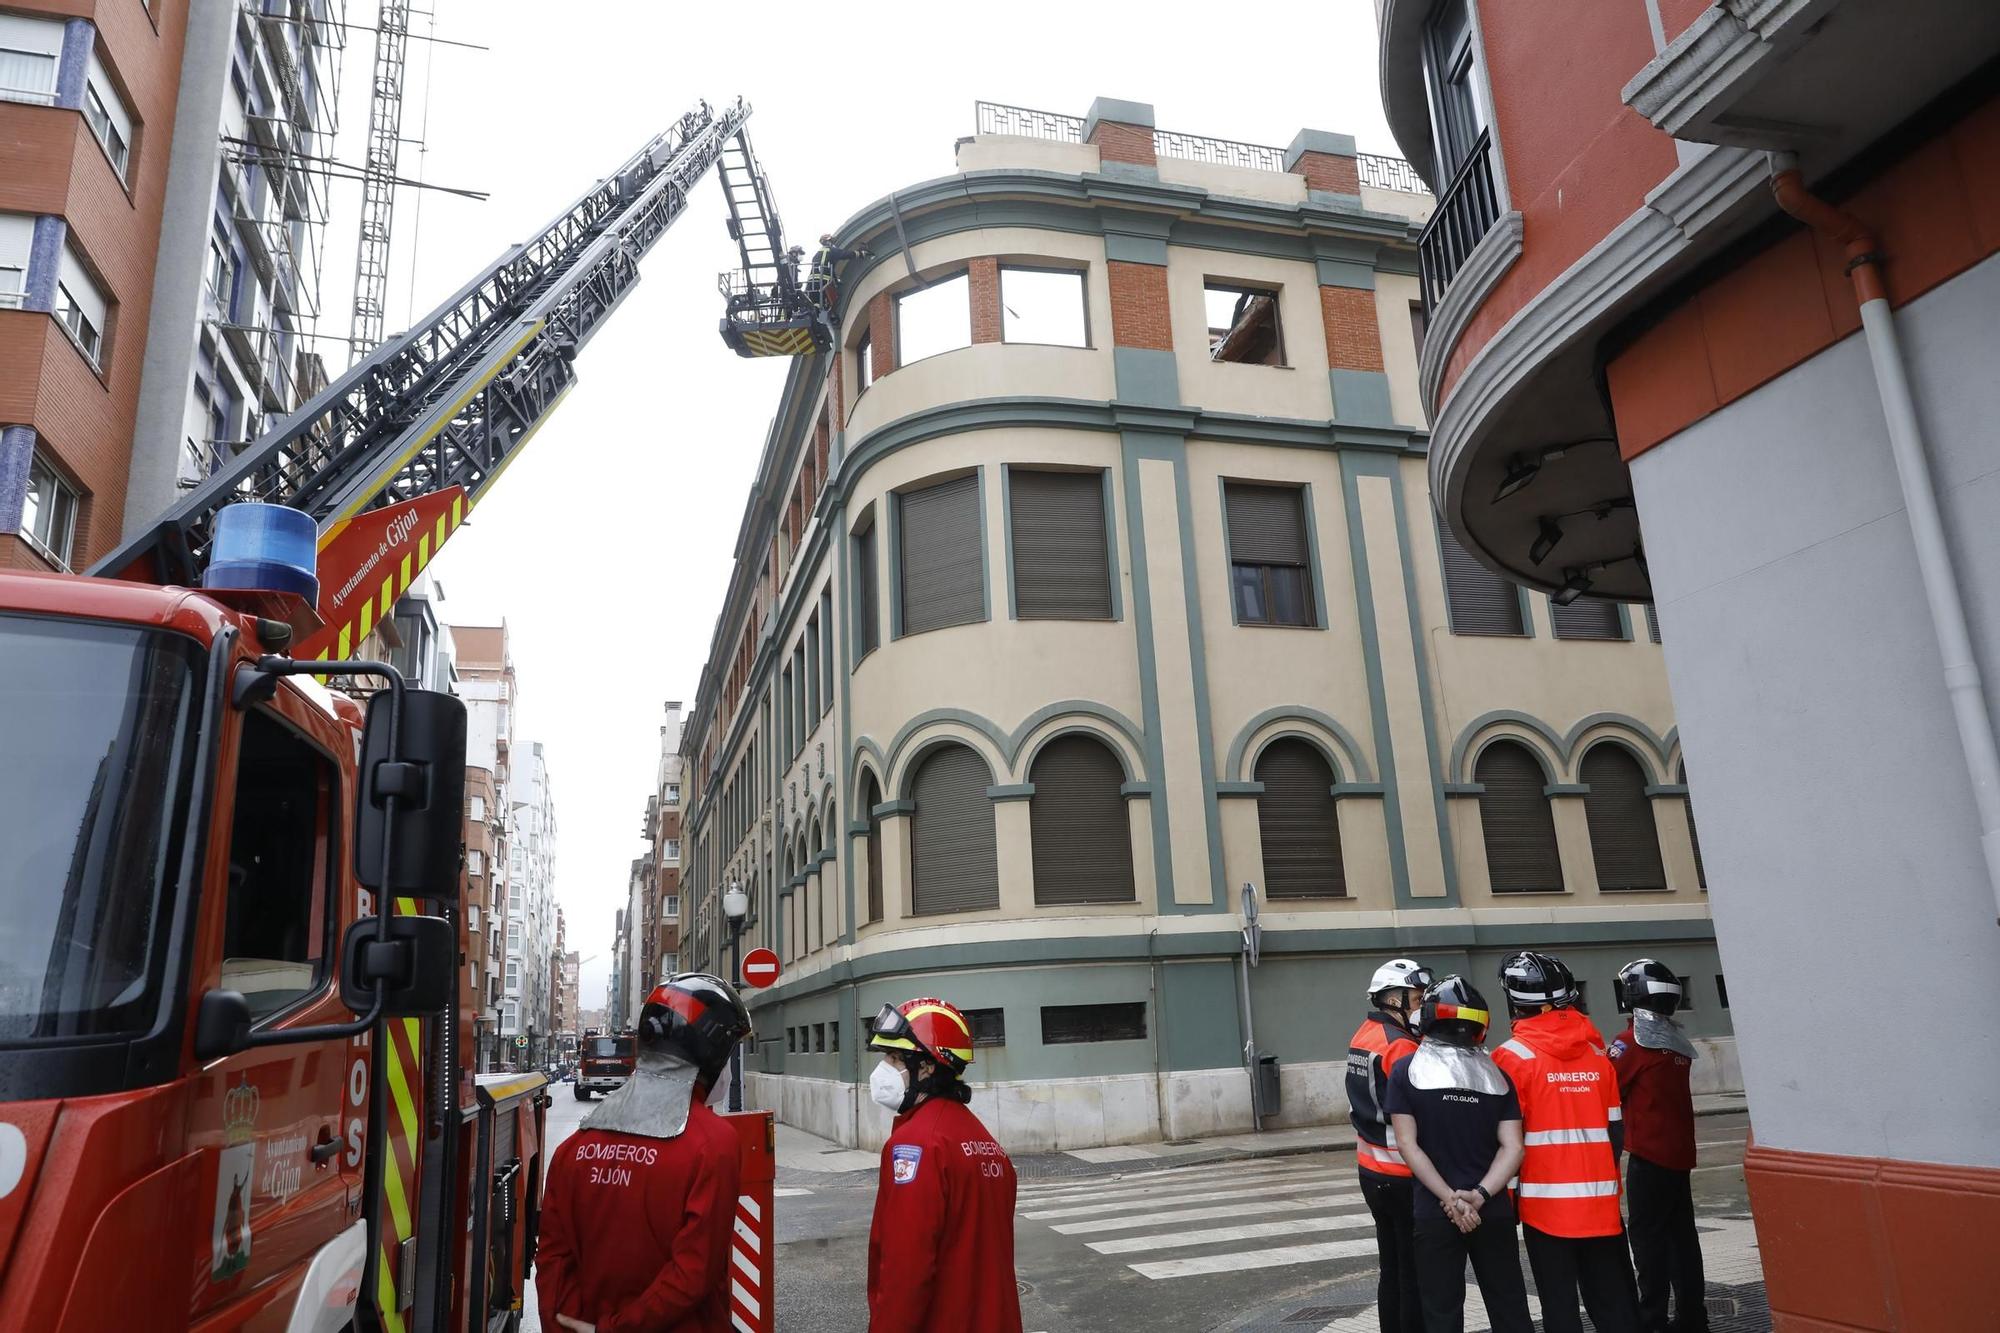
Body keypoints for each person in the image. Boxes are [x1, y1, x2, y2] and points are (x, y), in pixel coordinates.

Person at [535, 973, 752, 1333]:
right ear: (711, 1050)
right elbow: (693, 1273)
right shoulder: (714, 1145)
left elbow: (553, 1262)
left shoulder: (573, 1149)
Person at [1492, 951, 1642, 1333]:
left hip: (1545, 1211)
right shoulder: (1597, 1054)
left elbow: (1506, 1144)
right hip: (1601, 1206)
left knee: (1560, 1310)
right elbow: (1615, 1134)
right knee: (1614, 1307)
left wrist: (1506, 1204)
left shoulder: (1511, 1058)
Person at [1386, 975, 1534, 1333]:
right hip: (1492, 1209)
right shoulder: (1498, 1076)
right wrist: (1480, 1195)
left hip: (1436, 1212)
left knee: (1441, 1312)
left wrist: (1450, 1198)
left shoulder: (1406, 1072)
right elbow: (1513, 1146)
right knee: (1510, 1307)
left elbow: (1408, 1145)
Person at [864, 996, 1022, 1333]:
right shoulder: (986, 1144)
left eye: (894, 1058)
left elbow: (906, 1270)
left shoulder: (915, 1146)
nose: (883, 1071)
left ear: (927, 1066)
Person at [1611, 959, 1710, 1333]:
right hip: (1679, 1156)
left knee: (1648, 1242)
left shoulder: (1629, 1044)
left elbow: (1610, 1090)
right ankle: (1691, 1317)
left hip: (1649, 1159)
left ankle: (1651, 1319)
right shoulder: (1678, 1044)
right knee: (1683, 1240)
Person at [1346, 957, 1433, 1333]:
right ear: (1392, 999)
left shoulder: (1364, 1034)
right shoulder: (1403, 1048)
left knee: (1391, 1269)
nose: (1421, 1005)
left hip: (1372, 1171)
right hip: (1402, 1173)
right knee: (1414, 1273)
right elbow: (1422, 1112)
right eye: (1415, 998)